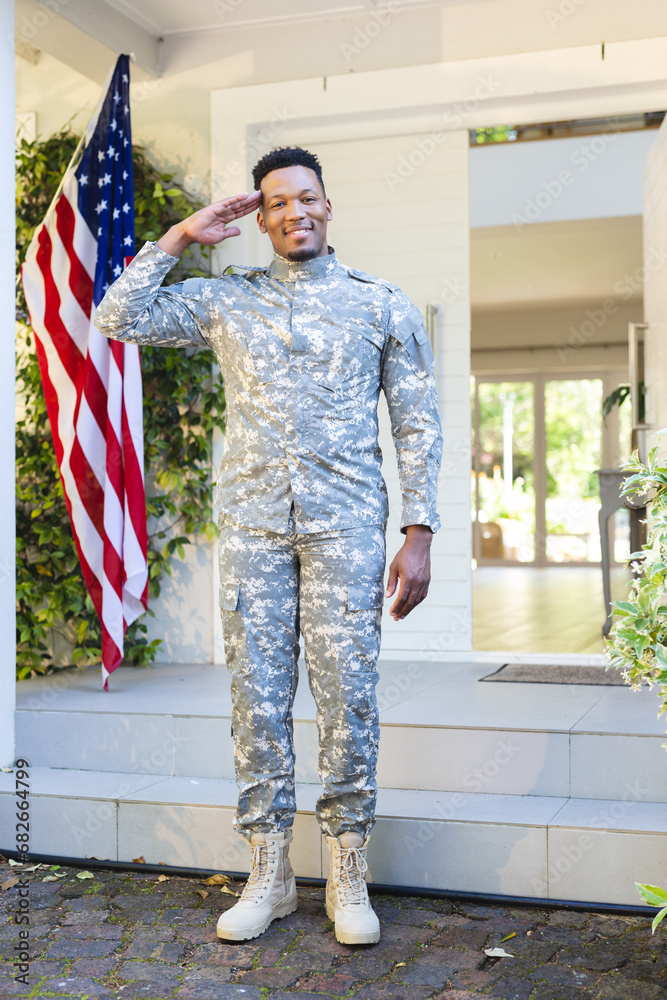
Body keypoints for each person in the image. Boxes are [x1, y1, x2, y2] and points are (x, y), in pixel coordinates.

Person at [95, 146, 442, 946]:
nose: (294, 213)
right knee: (257, 703)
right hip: (252, 527)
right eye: (275, 202)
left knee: (347, 700)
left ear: (328, 204)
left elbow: (416, 424)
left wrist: (417, 532)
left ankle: (347, 871)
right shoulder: (227, 301)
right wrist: (184, 233)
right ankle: (270, 873)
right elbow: (116, 318)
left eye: (306, 198)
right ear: (260, 216)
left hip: (346, 529)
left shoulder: (380, 304)